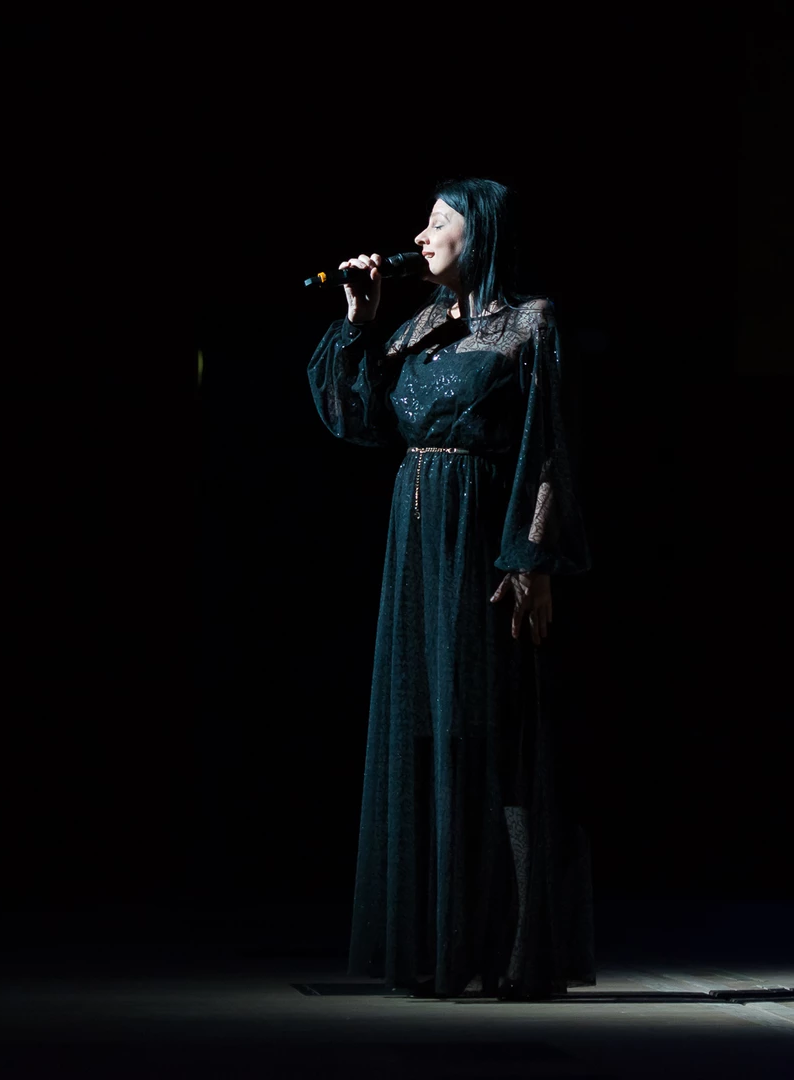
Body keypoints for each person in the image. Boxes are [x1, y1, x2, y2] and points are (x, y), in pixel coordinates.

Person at [307, 178, 594, 1000]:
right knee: (431, 734)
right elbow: (356, 418)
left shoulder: (528, 323)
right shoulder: (417, 330)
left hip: (482, 539)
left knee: (496, 737)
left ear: (482, 233)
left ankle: (515, 948)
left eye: (439, 222)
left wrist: (529, 559)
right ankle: (440, 938)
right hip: (417, 543)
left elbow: (547, 444)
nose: (420, 235)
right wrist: (358, 322)